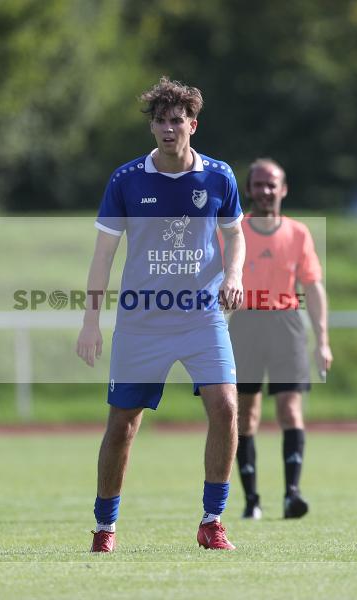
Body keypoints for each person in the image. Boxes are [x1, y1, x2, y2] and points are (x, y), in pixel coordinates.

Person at [76, 76, 246, 552]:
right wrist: (91, 320)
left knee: (226, 406)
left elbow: (235, 234)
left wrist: (233, 275)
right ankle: (105, 528)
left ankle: (212, 521)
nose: (169, 129)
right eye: (160, 121)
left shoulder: (219, 176)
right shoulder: (127, 179)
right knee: (122, 426)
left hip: (201, 317)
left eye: (177, 120)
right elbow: (102, 256)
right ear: (151, 128)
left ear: (193, 124)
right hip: (142, 321)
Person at [229, 158, 332, 520]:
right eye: (258, 184)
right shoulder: (235, 230)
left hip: (286, 323)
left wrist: (322, 339)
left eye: (272, 184)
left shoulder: (298, 233)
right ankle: (251, 500)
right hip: (245, 323)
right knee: (245, 415)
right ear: (249, 189)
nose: (265, 191)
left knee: (290, 409)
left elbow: (313, 286)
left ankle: (292, 494)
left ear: (283, 189)